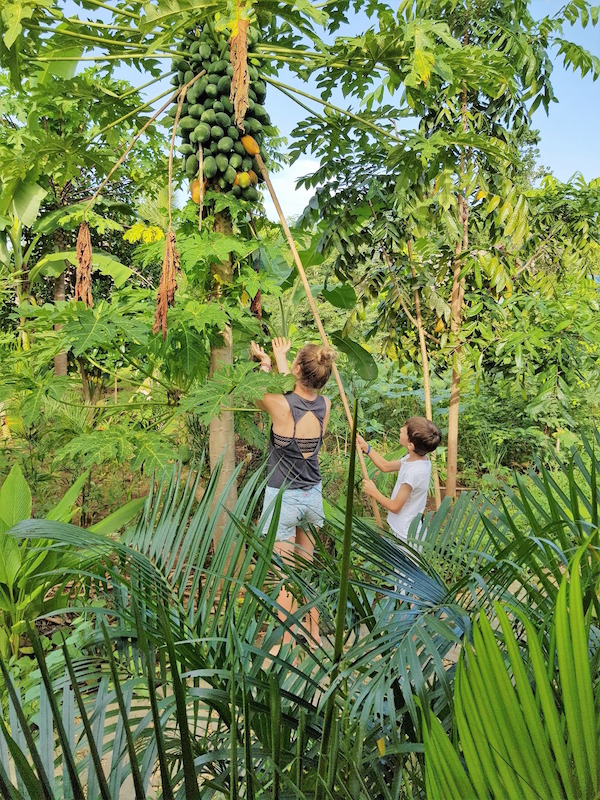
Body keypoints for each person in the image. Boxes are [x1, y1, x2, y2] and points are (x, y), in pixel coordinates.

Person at [250, 336, 336, 645]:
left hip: (284, 499)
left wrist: (266, 361)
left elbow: (258, 391)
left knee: (285, 577)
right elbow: (294, 395)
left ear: (297, 368)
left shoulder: (278, 405)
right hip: (312, 496)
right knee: (305, 571)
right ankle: (312, 637)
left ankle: (284, 647)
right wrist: (284, 361)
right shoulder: (325, 405)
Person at [356, 417, 442, 543]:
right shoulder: (417, 459)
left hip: (406, 535)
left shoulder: (414, 472)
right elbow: (385, 466)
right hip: (401, 528)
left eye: (404, 431)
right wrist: (366, 447)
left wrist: (374, 492)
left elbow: (395, 506)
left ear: (411, 445)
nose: (401, 429)